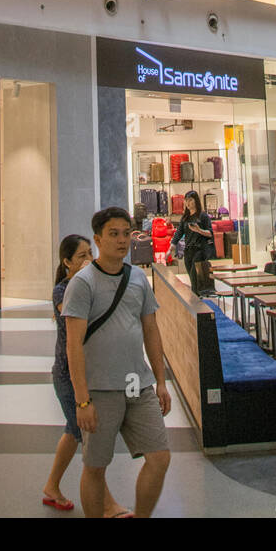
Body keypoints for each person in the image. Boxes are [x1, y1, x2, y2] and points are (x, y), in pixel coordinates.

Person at [63, 207, 171, 519]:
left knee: (160, 457)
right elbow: (73, 345)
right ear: (98, 239)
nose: (122, 240)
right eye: (114, 234)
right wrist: (83, 401)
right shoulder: (82, 284)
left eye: (126, 233)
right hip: (100, 389)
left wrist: (161, 381)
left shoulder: (138, 277)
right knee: (96, 466)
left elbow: (151, 330)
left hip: (139, 385)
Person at [43, 234, 130, 518]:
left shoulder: (94, 283)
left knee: (74, 431)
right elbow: (75, 314)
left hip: (89, 371)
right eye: (81, 256)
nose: (87, 260)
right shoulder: (63, 290)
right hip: (68, 374)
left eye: (89, 254)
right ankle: (106, 505)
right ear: (67, 262)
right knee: (88, 436)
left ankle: (51, 487)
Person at [169, 191, 215, 297]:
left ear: (196, 201)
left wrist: (199, 230)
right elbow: (179, 232)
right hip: (188, 251)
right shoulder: (185, 217)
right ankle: (198, 299)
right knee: (193, 279)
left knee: (195, 278)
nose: (188, 203)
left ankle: (197, 303)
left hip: (200, 251)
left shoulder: (203, 216)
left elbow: (210, 233)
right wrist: (172, 246)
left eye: (190, 200)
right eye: (186, 200)